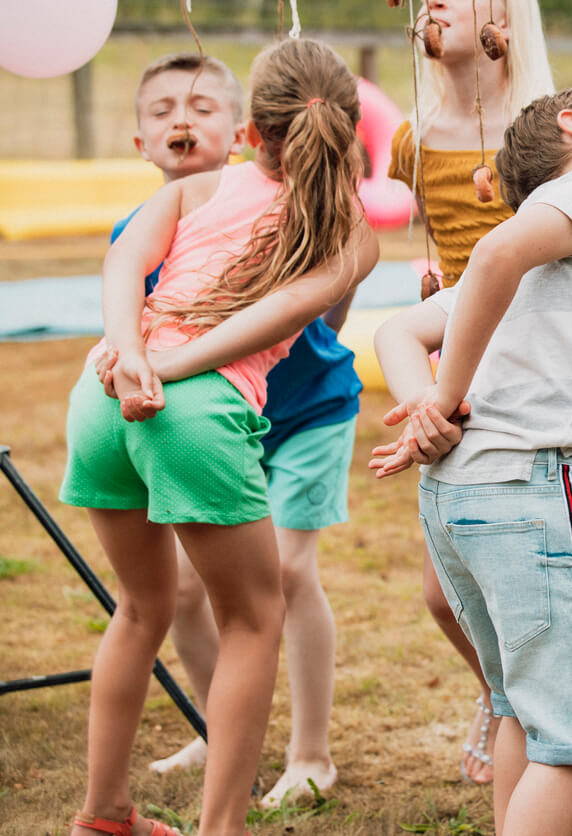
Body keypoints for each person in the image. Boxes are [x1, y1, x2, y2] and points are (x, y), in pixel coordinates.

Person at [60, 37, 378, 836]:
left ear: (247, 133)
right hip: (188, 413)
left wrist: (132, 354)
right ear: (346, 129)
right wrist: (161, 366)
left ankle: (103, 813)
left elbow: (123, 265)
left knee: (139, 606)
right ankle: (222, 830)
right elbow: (263, 326)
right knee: (252, 619)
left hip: (99, 395)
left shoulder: (196, 190)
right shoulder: (352, 237)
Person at [369, 79, 572, 836]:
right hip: (531, 486)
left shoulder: (552, 235)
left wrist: (422, 407)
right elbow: (499, 247)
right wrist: (441, 401)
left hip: (457, 499)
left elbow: (395, 334)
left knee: (519, 705)